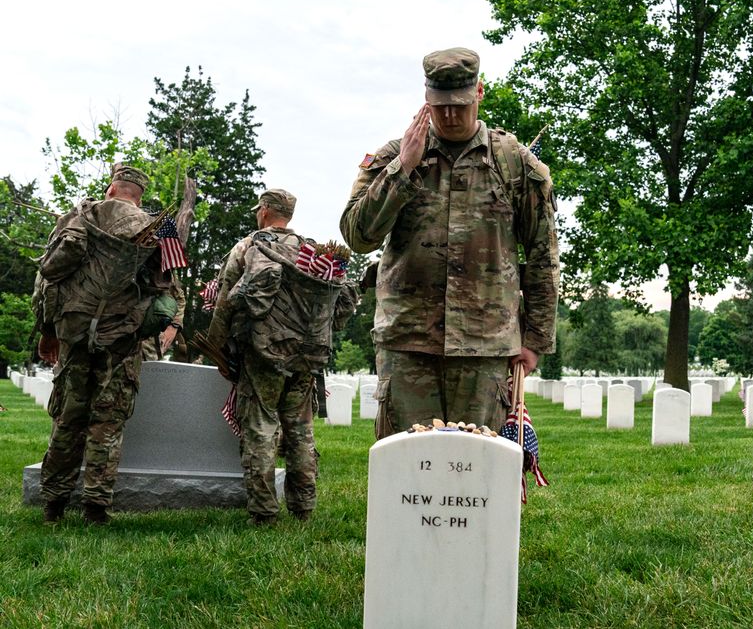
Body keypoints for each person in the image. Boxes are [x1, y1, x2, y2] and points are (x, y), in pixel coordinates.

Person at [341, 47, 559, 440]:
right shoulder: (394, 156)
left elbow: (543, 256)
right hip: (407, 344)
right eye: (440, 106)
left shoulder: (513, 162)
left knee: (481, 474)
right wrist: (402, 170)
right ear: (426, 101)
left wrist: (536, 339)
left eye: (459, 104)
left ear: (479, 93)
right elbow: (358, 236)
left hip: (486, 347)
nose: (450, 115)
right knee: (406, 471)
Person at [207, 189, 357, 525]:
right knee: (300, 430)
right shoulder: (311, 252)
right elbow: (343, 305)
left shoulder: (250, 246)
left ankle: (263, 511)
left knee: (260, 427)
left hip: (264, 352)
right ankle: (303, 506)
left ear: (264, 212)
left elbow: (226, 299)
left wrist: (217, 347)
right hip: (307, 354)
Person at [33, 165, 168, 525]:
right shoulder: (154, 229)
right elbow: (164, 291)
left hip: (74, 332)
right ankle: (96, 506)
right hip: (121, 336)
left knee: (68, 416)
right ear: (139, 195)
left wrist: (47, 330)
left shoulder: (77, 216)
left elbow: (48, 279)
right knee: (107, 421)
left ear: (111, 188)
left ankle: (54, 503)